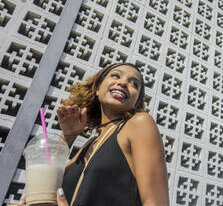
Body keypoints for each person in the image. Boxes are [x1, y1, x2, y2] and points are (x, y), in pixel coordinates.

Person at [53, 63, 168, 205]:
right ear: (98, 88)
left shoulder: (140, 123)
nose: (123, 82)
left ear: (136, 102)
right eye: (116, 75)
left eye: (134, 84)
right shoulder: (89, 144)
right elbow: (47, 184)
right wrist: (68, 136)